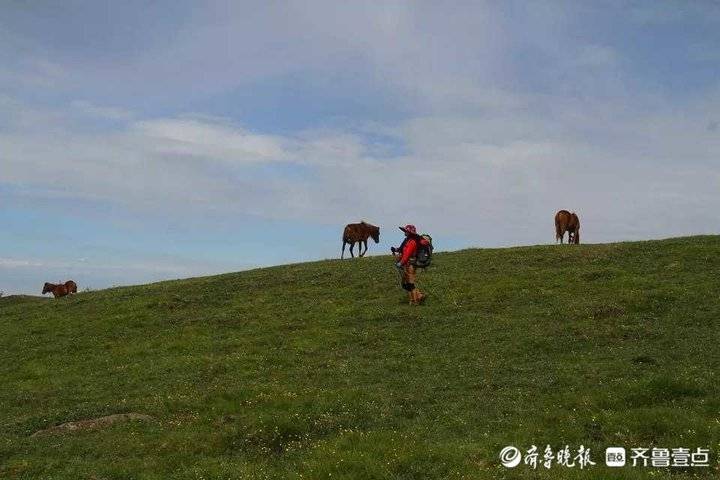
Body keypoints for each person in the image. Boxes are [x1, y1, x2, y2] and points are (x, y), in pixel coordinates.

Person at [391, 224, 427, 305]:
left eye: (406, 231)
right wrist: (395, 249)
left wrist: (401, 263)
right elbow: (403, 249)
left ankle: (416, 300)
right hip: (407, 264)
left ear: (410, 233)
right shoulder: (408, 240)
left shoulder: (412, 242)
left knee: (410, 283)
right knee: (407, 283)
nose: (404, 233)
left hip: (410, 264)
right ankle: (414, 299)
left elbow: (407, 254)